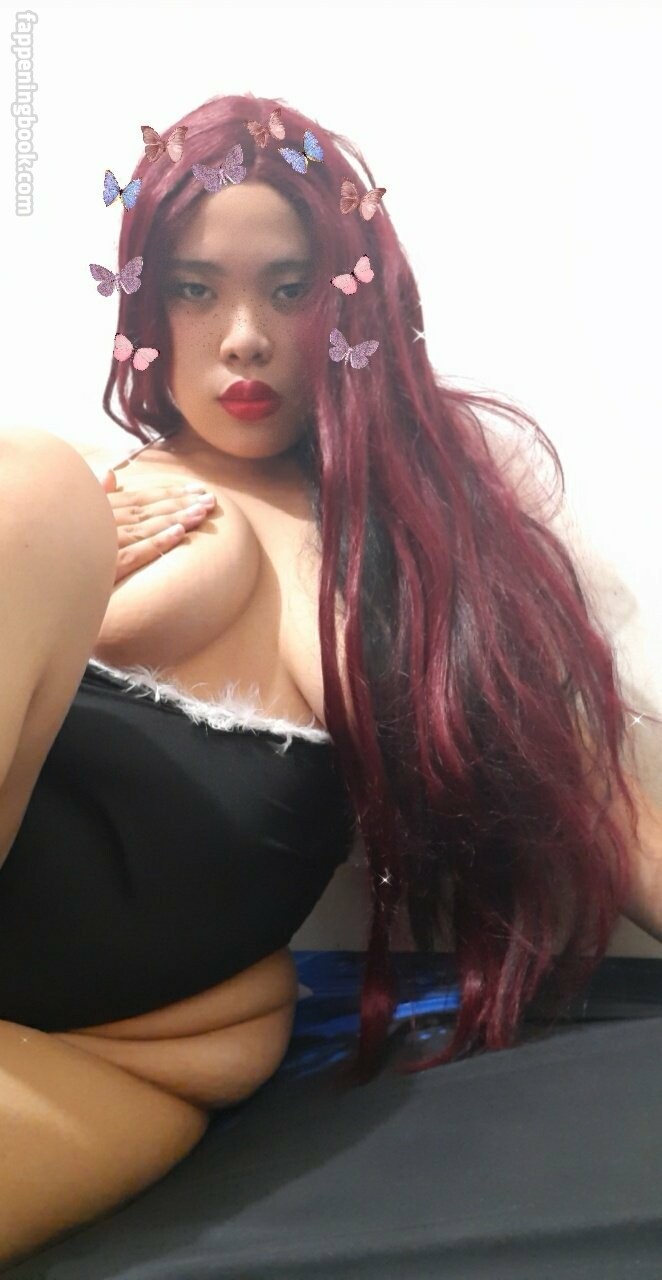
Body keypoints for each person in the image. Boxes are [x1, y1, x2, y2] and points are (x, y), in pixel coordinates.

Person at [1, 91, 660, 1270]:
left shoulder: (424, 556)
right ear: (144, 305)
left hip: (133, 1062)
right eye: (194, 290)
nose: (243, 339)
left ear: (352, 303)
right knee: (29, 487)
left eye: (290, 290)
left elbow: (615, 813)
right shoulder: (83, 490)